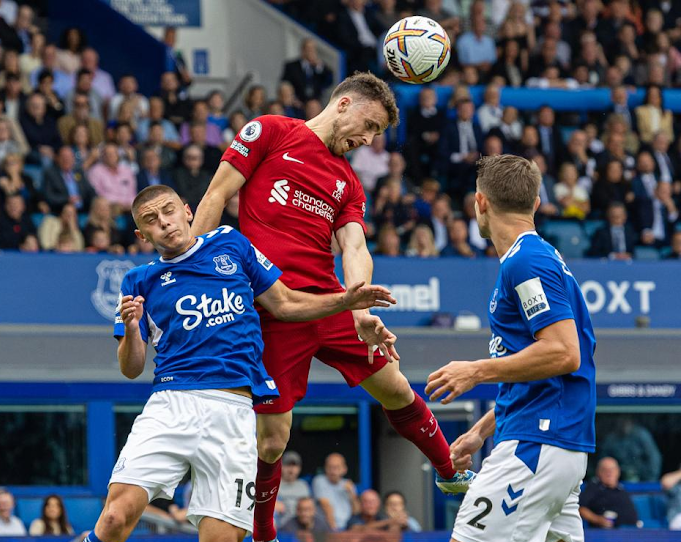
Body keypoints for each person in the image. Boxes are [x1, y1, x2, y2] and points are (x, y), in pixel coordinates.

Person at [190, 72, 475, 542]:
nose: (368, 139)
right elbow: (217, 196)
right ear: (343, 104)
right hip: (275, 308)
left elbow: (355, 247)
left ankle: (448, 469)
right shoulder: (270, 132)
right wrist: (195, 275)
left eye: (378, 134)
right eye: (370, 124)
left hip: (330, 302)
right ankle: (264, 534)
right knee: (273, 439)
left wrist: (360, 306)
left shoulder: (347, 182)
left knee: (396, 386)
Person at [81, 184, 394, 542]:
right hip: (171, 405)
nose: (164, 223)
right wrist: (133, 328)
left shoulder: (231, 242)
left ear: (187, 210)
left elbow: (286, 305)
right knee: (113, 520)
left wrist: (346, 301)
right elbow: (131, 367)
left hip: (234, 413)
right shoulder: (137, 281)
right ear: (142, 234)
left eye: (169, 211)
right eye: (152, 221)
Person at [425, 154, 597, 542]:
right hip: (554, 446)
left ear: (480, 202)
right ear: (536, 203)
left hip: (536, 445)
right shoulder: (540, 257)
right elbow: (541, 368)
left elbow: (564, 353)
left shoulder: (526, 262)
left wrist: (475, 371)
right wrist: (481, 432)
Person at [579, 457, 639, 528]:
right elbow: (580, 508)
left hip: (629, 531)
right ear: (598, 472)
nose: (609, 473)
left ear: (618, 471)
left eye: (612, 469)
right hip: (603, 533)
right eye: (604, 470)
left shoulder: (622, 489)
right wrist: (598, 519)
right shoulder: (593, 488)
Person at [600, 417, 662, 482]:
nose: (623, 423)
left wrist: (650, 482)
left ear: (631, 421)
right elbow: (603, 461)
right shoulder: (611, 439)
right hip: (618, 480)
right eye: (620, 421)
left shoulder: (641, 435)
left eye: (625, 420)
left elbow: (654, 459)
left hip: (643, 479)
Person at [312, 453, 360, 531]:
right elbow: (326, 507)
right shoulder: (319, 481)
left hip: (348, 526)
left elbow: (357, 511)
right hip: (328, 528)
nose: (333, 471)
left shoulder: (348, 484)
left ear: (344, 469)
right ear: (325, 468)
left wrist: (351, 494)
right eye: (329, 467)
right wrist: (335, 531)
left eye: (336, 467)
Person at [275, 451, 310, 528]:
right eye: (288, 465)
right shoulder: (274, 484)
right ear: (281, 466)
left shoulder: (303, 485)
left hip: (301, 524)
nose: (291, 469)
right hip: (282, 524)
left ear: (299, 468)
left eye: (294, 466)